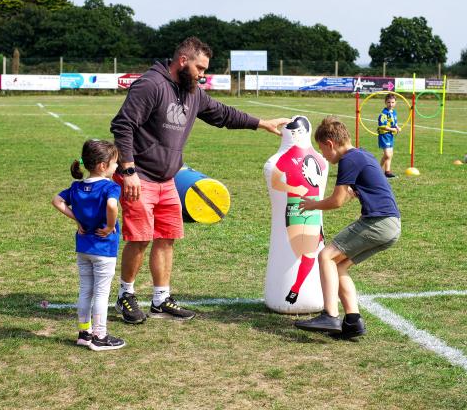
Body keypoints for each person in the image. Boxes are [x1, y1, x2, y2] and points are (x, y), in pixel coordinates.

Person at [110, 36, 290, 324]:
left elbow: (222, 114)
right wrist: (128, 170)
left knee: (167, 238)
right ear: (183, 61)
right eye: (200, 68)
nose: (203, 75)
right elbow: (123, 124)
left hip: (169, 178)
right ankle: (125, 295)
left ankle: (160, 298)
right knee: (140, 239)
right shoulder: (151, 85)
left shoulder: (192, 92)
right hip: (140, 176)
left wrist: (261, 123)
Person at [295, 116, 401, 338]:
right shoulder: (361, 155)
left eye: (322, 149)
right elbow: (367, 187)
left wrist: (313, 204)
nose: (323, 155)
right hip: (392, 226)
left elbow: (337, 201)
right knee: (339, 265)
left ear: (330, 144)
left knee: (325, 256)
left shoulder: (348, 160)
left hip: (377, 222)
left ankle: (330, 315)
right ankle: (353, 322)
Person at [51, 139, 125, 351]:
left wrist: (77, 219)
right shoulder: (110, 187)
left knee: (85, 291)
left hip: (83, 248)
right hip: (104, 249)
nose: (117, 167)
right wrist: (111, 226)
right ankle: (100, 336)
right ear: (103, 166)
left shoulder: (76, 187)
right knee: (101, 293)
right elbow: (112, 205)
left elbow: (56, 200)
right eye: (115, 163)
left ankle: (84, 333)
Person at [269, 116, 327, 304]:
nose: (296, 134)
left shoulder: (320, 159)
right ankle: (317, 237)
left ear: (306, 131)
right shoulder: (284, 157)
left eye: (299, 131)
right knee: (298, 250)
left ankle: (295, 289)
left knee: (308, 254)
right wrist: (294, 189)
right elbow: (276, 182)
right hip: (294, 208)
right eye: (293, 131)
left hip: (313, 209)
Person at [378, 93, 401, 178]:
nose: (390, 104)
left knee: (390, 154)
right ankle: (378, 170)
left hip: (390, 135)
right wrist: (392, 129)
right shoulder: (384, 113)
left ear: (395, 103)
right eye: (388, 102)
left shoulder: (394, 112)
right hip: (384, 135)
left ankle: (387, 171)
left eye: (392, 102)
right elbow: (382, 126)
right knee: (387, 154)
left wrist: (397, 127)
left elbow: (394, 122)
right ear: (385, 102)